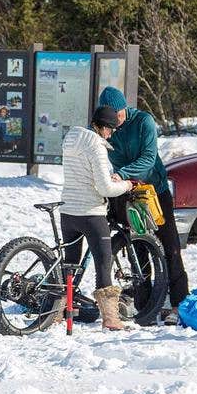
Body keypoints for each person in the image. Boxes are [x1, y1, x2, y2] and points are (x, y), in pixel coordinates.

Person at [100, 86, 191, 322]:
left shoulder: (143, 121)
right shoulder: (107, 127)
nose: (115, 122)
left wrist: (123, 173)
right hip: (126, 192)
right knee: (137, 247)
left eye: (118, 116)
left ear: (124, 109)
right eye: (111, 118)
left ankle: (179, 303)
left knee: (169, 245)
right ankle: (145, 306)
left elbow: (149, 159)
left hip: (154, 190)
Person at [61, 104, 134, 331]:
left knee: (70, 264)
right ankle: (111, 319)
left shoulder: (72, 138)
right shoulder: (96, 146)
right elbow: (103, 188)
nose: (111, 134)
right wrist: (126, 185)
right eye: (110, 130)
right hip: (91, 213)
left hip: (68, 210)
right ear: (103, 128)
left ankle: (57, 311)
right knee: (103, 262)